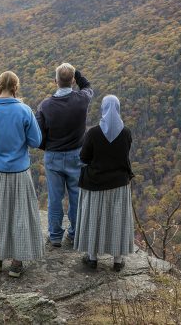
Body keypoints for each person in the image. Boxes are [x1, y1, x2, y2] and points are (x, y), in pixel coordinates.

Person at [0, 71, 44, 277]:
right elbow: (36, 142)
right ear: (16, 86)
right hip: (19, 172)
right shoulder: (25, 111)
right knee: (19, 215)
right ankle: (17, 262)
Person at [74, 95, 134, 271]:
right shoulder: (126, 133)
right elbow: (125, 156)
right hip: (119, 184)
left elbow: (84, 157)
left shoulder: (93, 133)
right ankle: (117, 260)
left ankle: (92, 258)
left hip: (95, 182)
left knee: (94, 219)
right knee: (117, 220)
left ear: (103, 108)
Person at [36, 63, 93, 247]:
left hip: (53, 156)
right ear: (73, 81)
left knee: (55, 197)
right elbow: (88, 87)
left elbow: (38, 136)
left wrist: (48, 147)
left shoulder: (45, 105)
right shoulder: (82, 99)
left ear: (55, 81)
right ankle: (75, 234)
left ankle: (54, 236)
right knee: (76, 196)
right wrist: (76, 73)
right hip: (77, 155)